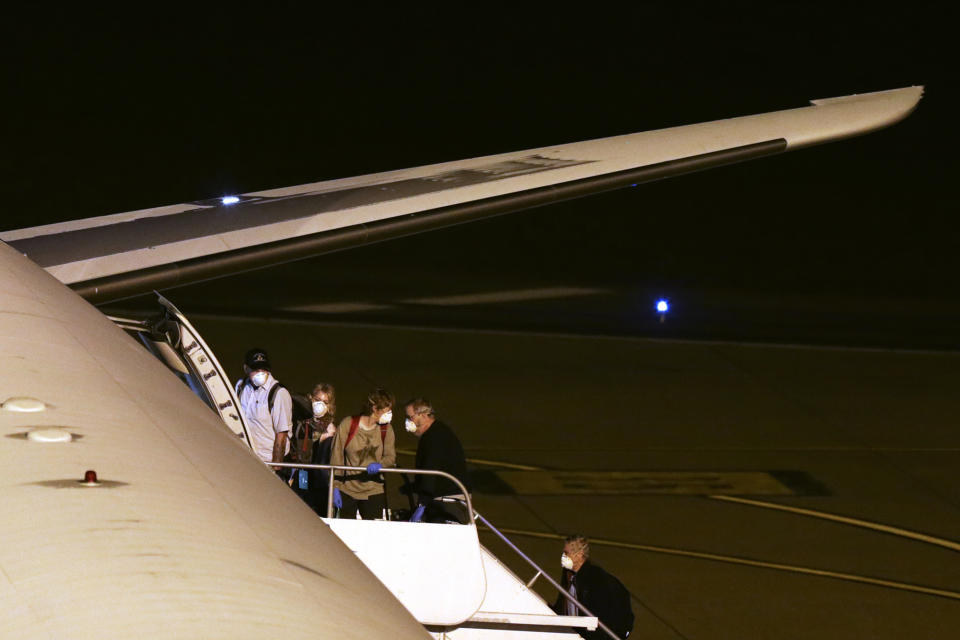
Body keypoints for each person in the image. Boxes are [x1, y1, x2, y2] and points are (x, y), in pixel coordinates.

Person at [329, 388, 397, 519]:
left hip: (374, 491)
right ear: (374, 408)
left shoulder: (386, 429)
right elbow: (336, 457)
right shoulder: (348, 424)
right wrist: (335, 487)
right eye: (386, 410)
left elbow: (390, 457)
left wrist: (380, 465)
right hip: (347, 490)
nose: (389, 414)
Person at [553, 535, 634, 640]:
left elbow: (604, 610)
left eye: (566, 553)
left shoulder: (596, 579)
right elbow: (563, 601)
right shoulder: (568, 573)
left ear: (579, 555)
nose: (563, 556)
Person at [404, 397, 471, 523]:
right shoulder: (437, 432)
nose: (408, 421)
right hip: (447, 496)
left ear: (423, 416)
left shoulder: (434, 437)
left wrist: (422, 503)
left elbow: (431, 470)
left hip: (446, 500)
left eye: (411, 417)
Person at [236, 347, 292, 467]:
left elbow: (281, 435)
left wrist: (276, 469)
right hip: (246, 458)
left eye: (264, 368)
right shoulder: (241, 387)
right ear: (246, 368)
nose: (261, 373)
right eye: (256, 369)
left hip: (267, 462)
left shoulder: (278, 393)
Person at [289, 382, 337, 514]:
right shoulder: (302, 420)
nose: (320, 404)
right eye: (317, 400)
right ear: (311, 398)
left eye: (325, 402)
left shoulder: (330, 428)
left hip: (319, 477)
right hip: (302, 471)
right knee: (300, 503)